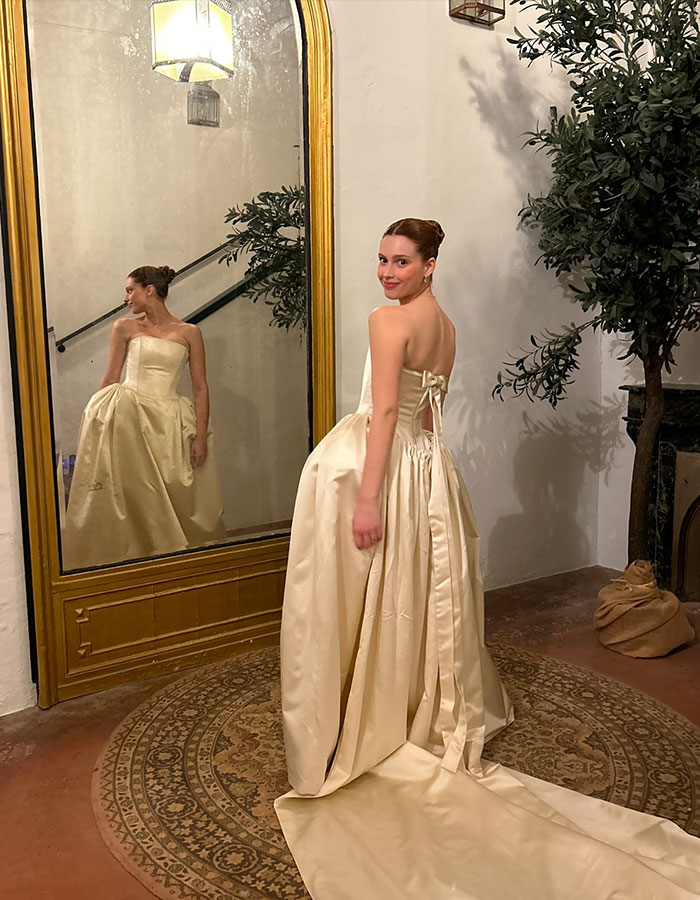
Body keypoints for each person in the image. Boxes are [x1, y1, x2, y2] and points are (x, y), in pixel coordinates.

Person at [275, 219, 700, 899]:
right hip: (427, 467)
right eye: (381, 259)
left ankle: (362, 712)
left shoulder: (388, 323)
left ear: (431, 264)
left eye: (401, 261)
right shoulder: (443, 324)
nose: (385, 272)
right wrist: (428, 482)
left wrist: (368, 500)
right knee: (404, 595)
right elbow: (428, 416)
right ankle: (400, 703)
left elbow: (384, 414)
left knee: (357, 599)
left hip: (379, 469)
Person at [62, 265, 226, 569]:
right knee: (133, 496)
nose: (125, 298)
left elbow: (201, 388)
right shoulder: (124, 327)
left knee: (179, 495)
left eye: (129, 290)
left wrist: (201, 436)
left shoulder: (190, 333)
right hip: (131, 417)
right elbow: (111, 376)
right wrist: (93, 421)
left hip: (170, 422)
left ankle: (178, 567)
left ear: (149, 290)